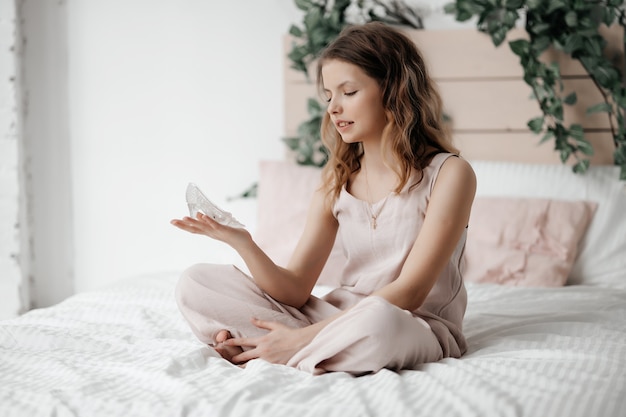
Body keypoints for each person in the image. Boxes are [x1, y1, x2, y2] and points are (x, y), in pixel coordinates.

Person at [170, 22, 476, 375]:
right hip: (336, 317)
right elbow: (295, 290)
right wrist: (243, 242)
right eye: (329, 95)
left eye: (348, 92)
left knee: (378, 322)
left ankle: (277, 348)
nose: (333, 108)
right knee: (196, 283)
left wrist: (302, 338)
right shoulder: (337, 180)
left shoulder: (450, 173)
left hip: (410, 325)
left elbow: (411, 292)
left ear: (393, 89)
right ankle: (297, 348)